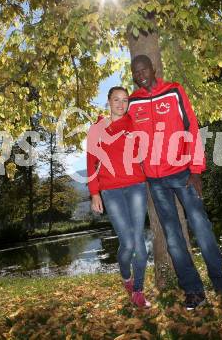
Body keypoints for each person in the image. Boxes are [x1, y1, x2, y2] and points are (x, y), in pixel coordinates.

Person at [128, 55, 222, 310]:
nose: (140, 74)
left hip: (182, 173)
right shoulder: (132, 102)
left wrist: (197, 169)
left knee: (202, 228)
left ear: (153, 67)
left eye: (143, 69)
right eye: (135, 72)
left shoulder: (174, 91)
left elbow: (191, 128)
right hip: (155, 181)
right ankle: (193, 291)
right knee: (172, 237)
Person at [86, 86, 151, 308]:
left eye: (125, 100)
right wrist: (94, 192)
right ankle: (126, 276)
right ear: (108, 101)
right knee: (128, 242)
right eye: (116, 100)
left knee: (139, 244)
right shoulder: (97, 127)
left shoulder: (134, 123)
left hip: (136, 187)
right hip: (111, 191)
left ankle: (138, 290)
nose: (121, 104)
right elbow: (90, 162)